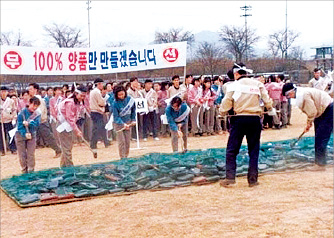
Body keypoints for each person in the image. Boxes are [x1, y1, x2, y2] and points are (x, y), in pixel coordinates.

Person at [219, 63, 274, 187]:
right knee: (253, 150)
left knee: (232, 150)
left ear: (236, 74)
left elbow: (227, 102)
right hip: (255, 119)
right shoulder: (258, 84)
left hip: (239, 119)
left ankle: (230, 178)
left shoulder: (234, 85)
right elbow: (266, 99)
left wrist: (221, 112)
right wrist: (270, 108)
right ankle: (253, 180)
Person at [282, 83, 333, 170]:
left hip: (328, 111)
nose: (289, 98)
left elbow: (312, 112)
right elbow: (313, 112)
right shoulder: (302, 93)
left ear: (291, 92)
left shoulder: (303, 95)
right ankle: (320, 162)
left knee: (321, 138)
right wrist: (309, 122)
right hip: (322, 112)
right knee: (319, 137)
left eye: (288, 96)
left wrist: (309, 122)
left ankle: (320, 165)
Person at [57, 85, 87, 167]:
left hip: (69, 126)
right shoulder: (70, 103)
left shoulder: (78, 103)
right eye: (81, 96)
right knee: (67, 149)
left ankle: (63, 167)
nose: (82, 98)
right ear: (76, 94)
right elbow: (69, 118)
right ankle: (70, 168)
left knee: (67, 147)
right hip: (63, 126)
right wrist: (77, 130)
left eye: (84, 96)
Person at [28, 83, 62, 158]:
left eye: (31, 89)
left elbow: (39, 112)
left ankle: (58, 150)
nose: (29, 90)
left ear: (35, 90)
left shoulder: (38, 99)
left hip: (41, 121)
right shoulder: (33, 99)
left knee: (48, 137)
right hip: (36, 121)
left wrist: (30, 118)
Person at [15, 96, 41, 173]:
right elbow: (19, 126)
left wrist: (29, 124)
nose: (35, 107)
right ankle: (24, 170)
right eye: (33, 105)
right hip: (20, 135)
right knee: (22, 154)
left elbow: (37, 124)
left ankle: (31, 170)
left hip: (32, 134)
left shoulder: (37, 114)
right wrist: (24, 133)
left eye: (36, 106)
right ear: (29, 103)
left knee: (31, 154)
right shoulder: (21, 113)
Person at [112, 85, 136, 159]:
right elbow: (116, 117)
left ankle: (126, 156)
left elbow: (133, 111)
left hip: (128, 122)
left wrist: (133, 119)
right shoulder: (115, 103)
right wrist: (123, 124)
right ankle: (122, 157)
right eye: (119, 95)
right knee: (121, 142)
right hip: (119, 124)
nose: (121, 96)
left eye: (123, 94)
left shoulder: (130, 100)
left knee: (127, 141)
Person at [90, 78, 110, 157]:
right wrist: (105, 99)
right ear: (98, 84)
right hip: (97, 111)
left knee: (98, 128)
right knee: (98, 128)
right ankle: (94, 143)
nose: (102, 85)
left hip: (95, 111)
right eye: (101, 84)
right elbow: (101, 102)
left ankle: (104, 142)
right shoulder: (97, 92)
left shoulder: (93, 92)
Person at [0, 86, 17, 155]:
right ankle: (2, 150)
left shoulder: (11, 101)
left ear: (7, 92)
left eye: (5, 91)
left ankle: (13, 149)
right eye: (2, 91)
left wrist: (13, 117)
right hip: (1, 121)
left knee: (11, 135)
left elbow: (14, 110)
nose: (3, 93)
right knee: (1, 135)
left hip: (9, 120)